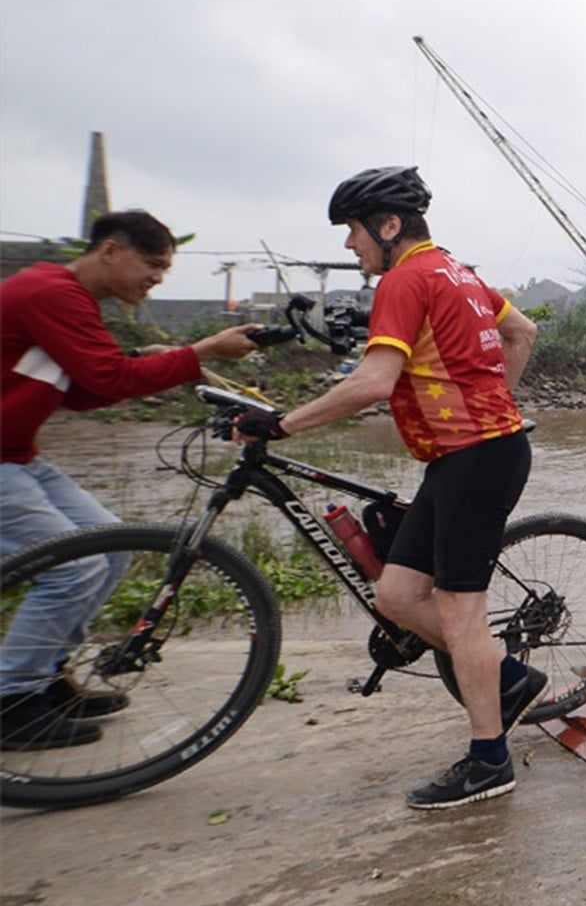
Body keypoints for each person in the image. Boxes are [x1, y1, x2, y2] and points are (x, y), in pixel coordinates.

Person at [230, 167, 545, 810]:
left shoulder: (405, 278)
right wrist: (494, 399)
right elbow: (523, 333)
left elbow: (374, 382)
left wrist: (282, 424)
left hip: (477, 458)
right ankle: (506, 678)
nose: (350, 245)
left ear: (388, 225)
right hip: (469, 455)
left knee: (460, 616)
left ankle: (490, 762)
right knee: (398, 595)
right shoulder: (458, 271)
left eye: (352, 231)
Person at [1, 211, 263, 750]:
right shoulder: (53, 293)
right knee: (73, 566)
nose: (157, 279)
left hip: (17, 455)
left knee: (110, 547)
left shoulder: (69, 299)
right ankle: (11, 700)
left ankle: (44, 678)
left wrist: (162, 360)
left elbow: (82, 392)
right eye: (153, 265)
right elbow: (109, 379)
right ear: (110, 251)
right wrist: (202, 351)